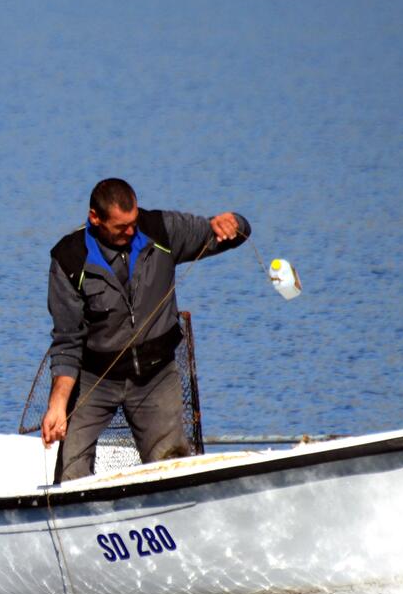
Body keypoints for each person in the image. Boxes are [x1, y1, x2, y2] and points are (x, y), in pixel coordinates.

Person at [41, 178, 250, 482]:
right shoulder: (68, 258)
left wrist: (234, 222)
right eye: (121, 227)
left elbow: (233, 234)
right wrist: (57, 405)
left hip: (157, 377)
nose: (130, 231)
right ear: (95, 218)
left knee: (172, 468)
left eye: (133, 222)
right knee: (71, 472)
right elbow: (67, 340)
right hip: (95, 379)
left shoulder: (162, 229)